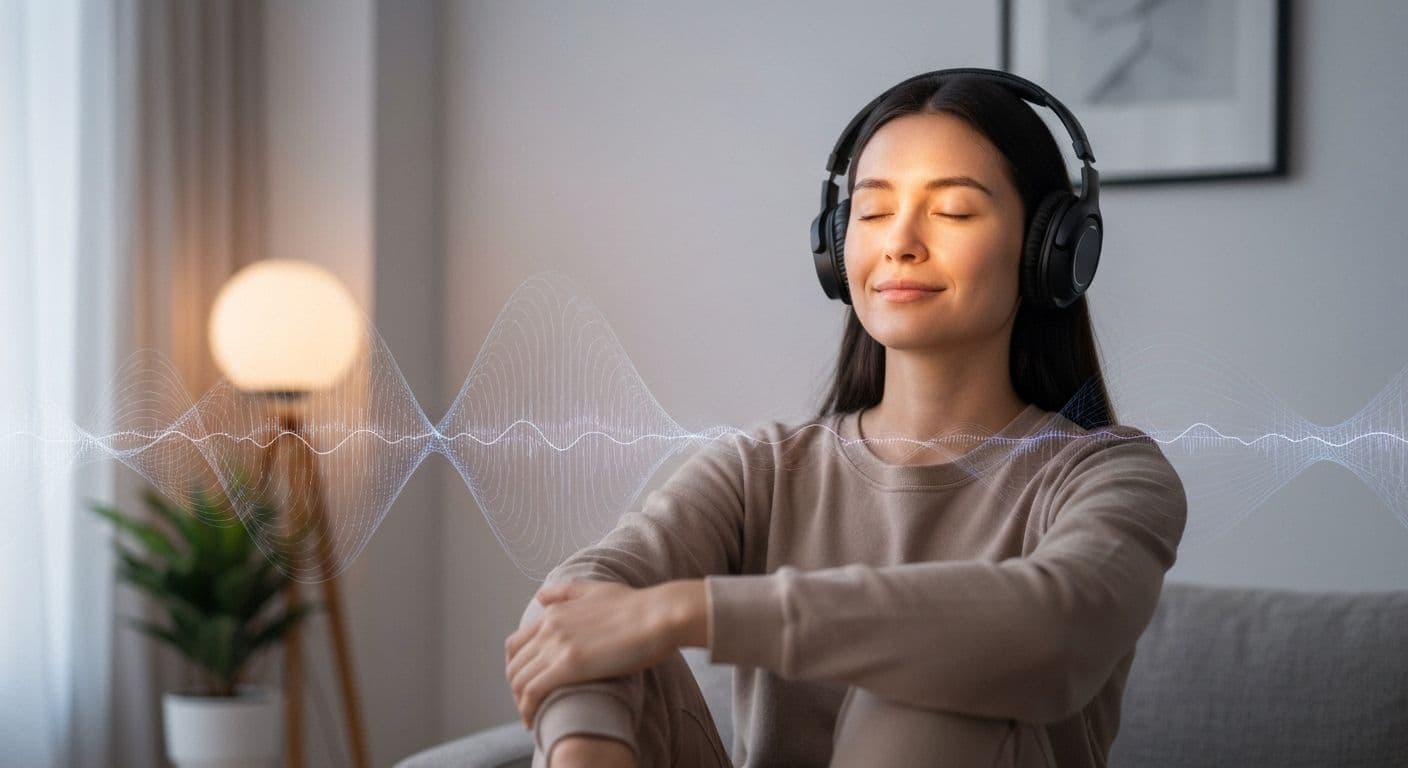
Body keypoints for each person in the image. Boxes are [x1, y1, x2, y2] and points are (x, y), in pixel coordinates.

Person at [504, 70, 1187, 768]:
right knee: (595, 632)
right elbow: (572, 603)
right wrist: (585, 741)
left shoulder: (1111, 476)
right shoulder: (763, 471)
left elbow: (1057, 626)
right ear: (835, 246)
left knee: (930, 682)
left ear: (1053, 250)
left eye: (953, 211)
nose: (901, 243)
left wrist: (682, 612)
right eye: (873, 211)